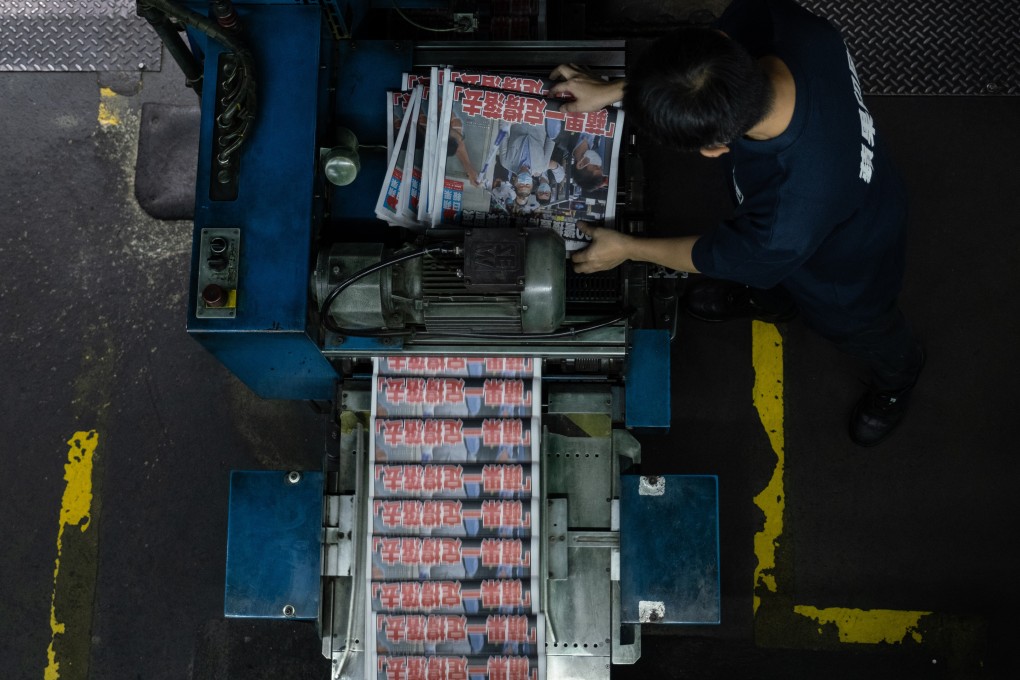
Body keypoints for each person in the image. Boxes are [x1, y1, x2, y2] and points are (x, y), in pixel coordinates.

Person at [549, 0, 924, 447]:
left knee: (865, 329)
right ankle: (772, 300)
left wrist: (627, 247)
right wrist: (613, 90)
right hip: (860, 185)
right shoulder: (792, 27)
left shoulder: (786, 220)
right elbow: (703, 67)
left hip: (845, 267)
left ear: (715, 148)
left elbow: (712, 254)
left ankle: (897, 381)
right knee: (771, 279)